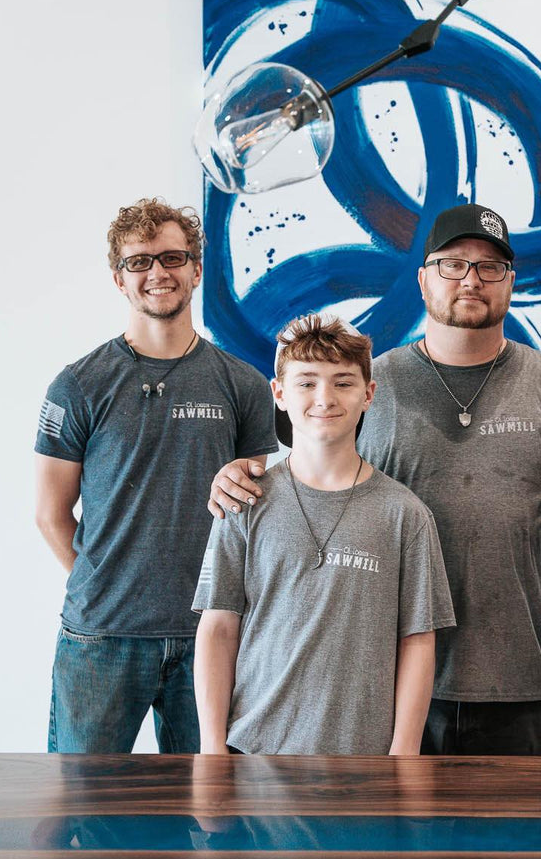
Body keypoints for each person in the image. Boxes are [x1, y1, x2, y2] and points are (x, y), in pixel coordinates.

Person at [208, 204, 541, 756]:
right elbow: (307, 479)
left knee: (514, 844)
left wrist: (523, 548)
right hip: (384, 692)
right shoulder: (367, 386)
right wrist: (238, 471)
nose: (472, 280)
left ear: (511, 281)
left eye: (491, 267)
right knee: (399, 844)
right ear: (423, 278)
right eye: (453, 264)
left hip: (518, 682)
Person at [33, 198, 276, 753]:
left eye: (172, 258)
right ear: (119, 279)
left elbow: (253, 509)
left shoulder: (241, 384)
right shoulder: (77, 386)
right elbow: (50, 515)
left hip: (211, 635)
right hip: (101, 637)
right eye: (139, 262)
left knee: (211, 817)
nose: (157, 273)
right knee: (85, 811)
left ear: (195, 268)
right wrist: (107, 584)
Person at [191, 314, 455, 755]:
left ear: (369, 394)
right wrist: (211, 750)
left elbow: (418, 640)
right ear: (279, 394)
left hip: (364, 761)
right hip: (252, 752)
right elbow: (218, 627)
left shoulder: (405, 516)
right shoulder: (243, 504)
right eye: (307, 382)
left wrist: (404, 753)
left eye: (343, 382)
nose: (325, 398)